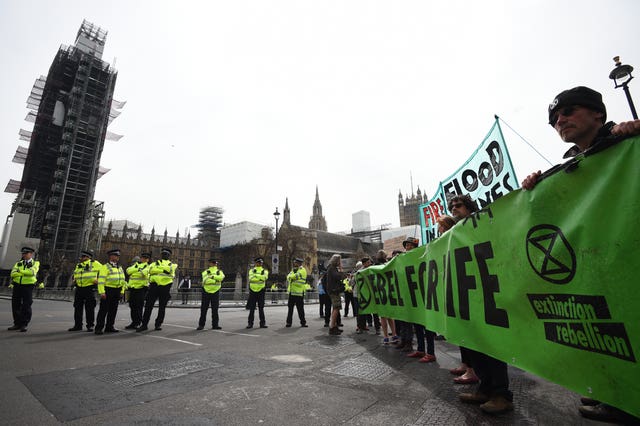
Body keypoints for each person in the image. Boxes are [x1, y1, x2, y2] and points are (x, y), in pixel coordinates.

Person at [522, 86, 640, 423]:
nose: (561, 119)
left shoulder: (626, 143)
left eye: (570, 111)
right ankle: (616, 398)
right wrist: (536, 187)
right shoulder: (572, 167)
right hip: (599, 264)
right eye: (555, 118)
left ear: (597, 114)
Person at [137, 247, 178, 332]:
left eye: (166, 254)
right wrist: (163, 270)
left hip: (165, 287)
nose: (164, 255)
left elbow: (171, 273)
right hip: (154, 286)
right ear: (161, 255)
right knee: (148, 306)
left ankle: (158, 324)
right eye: (163, 254)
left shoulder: (172, 265)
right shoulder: (154, 263)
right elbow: (150, 270)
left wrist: (157, 270)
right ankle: (144, 324)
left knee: (162, 307)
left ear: (169, 256)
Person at [8, 247, 40, 332]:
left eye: (26, 253)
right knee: (15, 304)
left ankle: (24, 324)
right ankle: (17, 324)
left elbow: (32, 273)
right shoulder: (19, 263)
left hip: (28, 286)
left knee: (26, 305)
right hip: (17, 285)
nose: (24, 255)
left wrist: (20, 272)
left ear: (31, 254)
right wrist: (23, 273)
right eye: (23, 253)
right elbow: (13, 274)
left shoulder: (35, 263)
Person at [95, 249, 126, 335]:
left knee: (113, 310)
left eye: (118, 256)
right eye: (115, 256)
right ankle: (99, 328)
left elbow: (123, 280)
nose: (117, 257)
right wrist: (102, 292)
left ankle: (109, 326)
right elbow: (101, 280)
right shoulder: (105, 267)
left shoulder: (120, 267)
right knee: (103, 310)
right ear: (110, 256)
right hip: (108, 290)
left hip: (117, 290)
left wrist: (122, 291)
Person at [69, 250, 101, 332]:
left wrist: (98, 279)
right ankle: (78, 325)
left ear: (88, 257)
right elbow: (76, 274)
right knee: (77, 307)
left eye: (84, 256)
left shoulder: (95, 263)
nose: (82, 258)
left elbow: (104, 272)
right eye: (82, 256)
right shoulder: (78, 265)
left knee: (89, 307)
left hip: (89, 288)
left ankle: (90, 325)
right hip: (79, 288)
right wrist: (74, 280)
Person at [125, 252, 151, 329]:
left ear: (148, 260)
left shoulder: (149, 266)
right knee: (132, 305)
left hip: (141, 288)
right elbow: (128, 271)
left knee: (139, 306)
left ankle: (138, 322)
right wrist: (138, 269)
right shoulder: (136, 265)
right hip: (132, 288)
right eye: (143, 258)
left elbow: (144, 273)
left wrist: (136, 270)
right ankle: (134, 322)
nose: (144, 259)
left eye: (146, 258)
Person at [198, 259, 225, 330]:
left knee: (215, 309)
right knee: (203, 309)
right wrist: (216, 279)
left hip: (215, 291)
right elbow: (205, 280)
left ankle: (215, 325)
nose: (214, 264)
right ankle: (201, 325)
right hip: (206, 291)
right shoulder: (205, 272)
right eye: (212, 263)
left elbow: (221, 278)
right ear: (209, 263)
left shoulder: (219, 271)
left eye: (215, 263)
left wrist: (212, 277)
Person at [325, 254, 346, 335]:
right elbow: (340, 277)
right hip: (334, 291)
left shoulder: (331, 268)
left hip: (333, 291)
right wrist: (341, 269)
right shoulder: (332, 269)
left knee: (335, 308)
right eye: (340, 261)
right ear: (337, 261)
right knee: (336, 308)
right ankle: (332, 327)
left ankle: (334, 326)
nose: (340, 262)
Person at [246, 257, 269, 329]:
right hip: (253, 290)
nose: (259, 263)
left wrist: (256, 276)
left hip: (261, 290)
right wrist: (260, 277)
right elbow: (250, 278)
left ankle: (262, 323)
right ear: (255, 263)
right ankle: (250, 324)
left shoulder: (265, 271)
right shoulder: (251, 270)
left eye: (260, 262)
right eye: (258, 262)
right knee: (252, 309)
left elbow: (264, 278)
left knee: (261, 308)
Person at [285, 257, 308, 327]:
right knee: (290, 309)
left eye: (295, 262)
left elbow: (294, 276)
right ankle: (288, 323)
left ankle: (303, 322)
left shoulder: (303, 270)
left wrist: (291, 277)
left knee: (300, 309)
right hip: (292, 293)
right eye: (294, 262)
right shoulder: (293, 270)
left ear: (299, 263)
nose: (294, 263)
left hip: (299, 293)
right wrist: (291, 277)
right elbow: (288, 277)